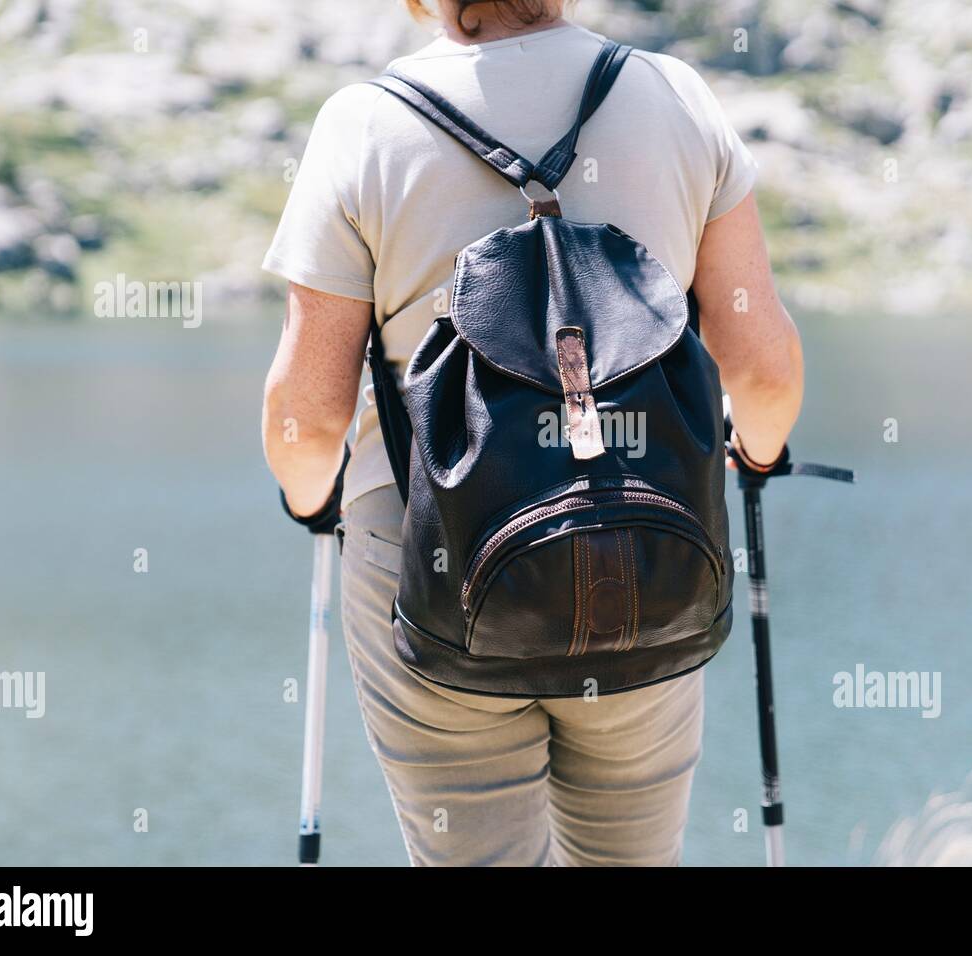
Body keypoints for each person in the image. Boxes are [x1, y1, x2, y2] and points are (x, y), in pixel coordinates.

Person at [261, 0, 803, 866]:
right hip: (644, 560)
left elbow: (307, 419)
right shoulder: (676, 97)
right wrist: (759, 453)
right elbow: (765, 374)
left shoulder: (362, 123)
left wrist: (308, 505)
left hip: (431, 570)